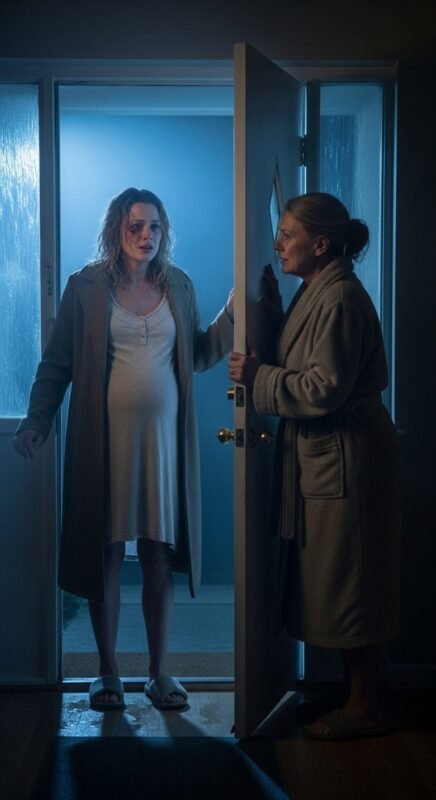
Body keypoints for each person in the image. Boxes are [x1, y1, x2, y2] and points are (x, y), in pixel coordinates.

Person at [14, 187, 234, 711]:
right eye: (136, 226)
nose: (146, 235)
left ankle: (159, 673)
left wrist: (232, 316)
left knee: (158, 555)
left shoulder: (178, 284)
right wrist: (38, 420)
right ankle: (108, 673)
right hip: (103, 443)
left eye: (154, 226)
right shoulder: (85, 287)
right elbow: (57, 363)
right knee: (106, 555)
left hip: (163, 445)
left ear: (163, 232)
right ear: (117, 230)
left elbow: (198, 354)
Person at [228, 192, 401, 741]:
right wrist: (273, 312)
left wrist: (257, 377)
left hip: (348, 457)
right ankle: (351, 695)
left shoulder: (341, 297)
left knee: (353, 581)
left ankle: (364, 707)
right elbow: (310, 355)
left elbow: (324, 387)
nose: (278, 244)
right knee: (339, 577)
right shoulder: (318, 290)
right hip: (331, 454)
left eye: (288, 235)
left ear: (320, 245)